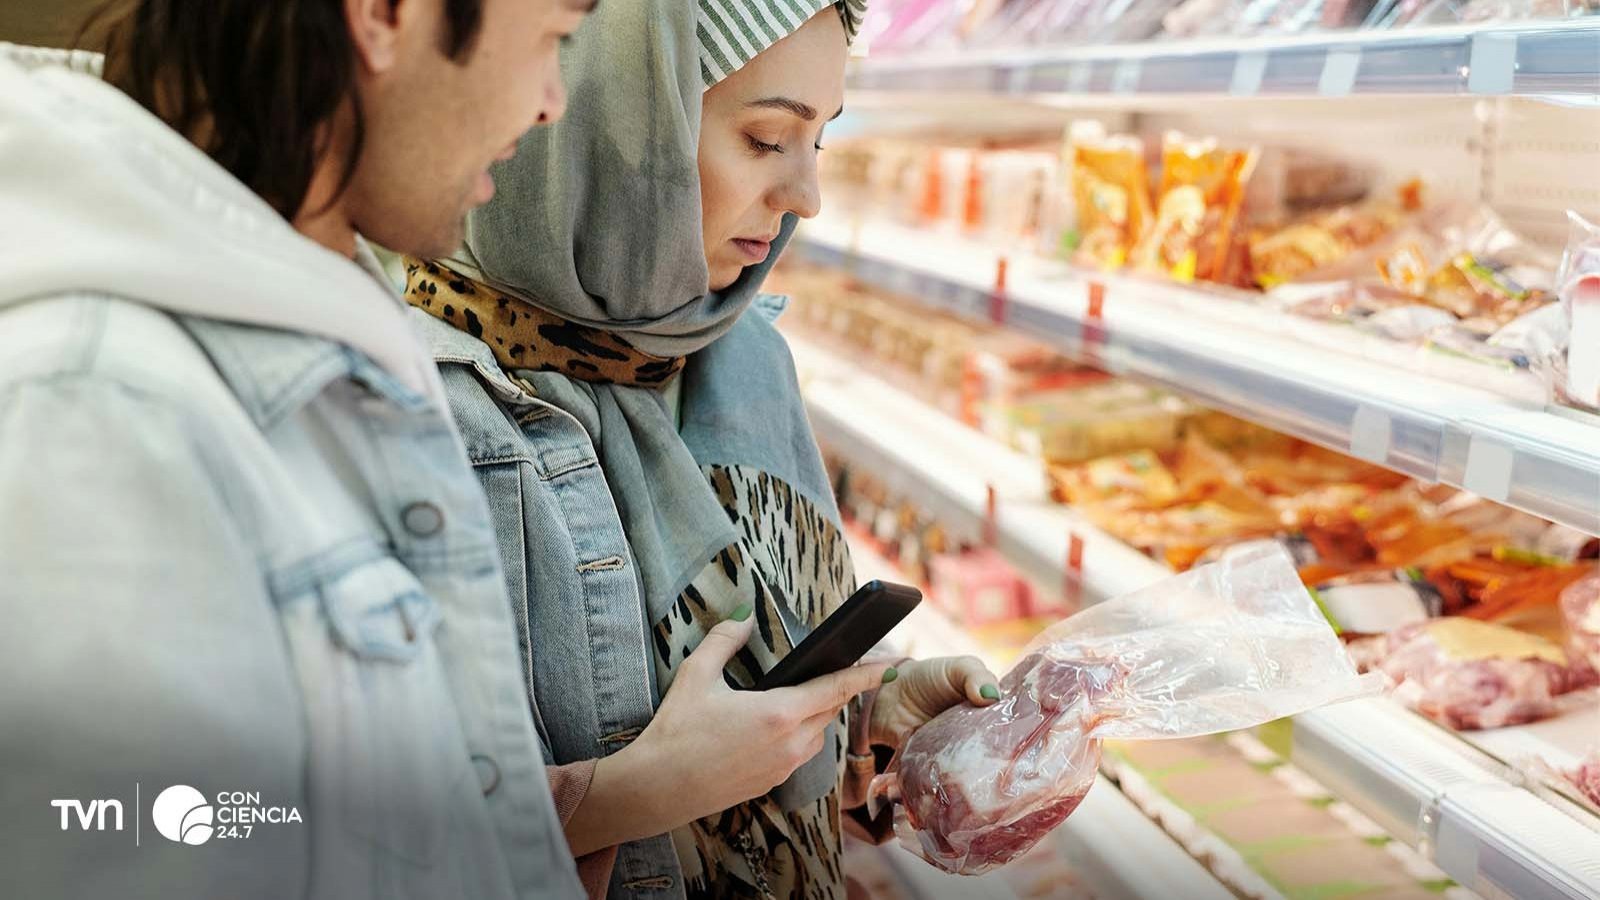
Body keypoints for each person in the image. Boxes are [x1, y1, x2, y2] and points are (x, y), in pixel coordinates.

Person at [404, 2, 1003, 897]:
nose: (806, 195)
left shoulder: (743, 356)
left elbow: (740, 737)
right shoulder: (416, 407)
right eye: (767, 139)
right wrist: (633, 795)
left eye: (819, 143)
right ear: (609, 122)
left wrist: (864, 714)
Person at [0, 1, 592, 897]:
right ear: (384, 15)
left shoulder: (312, 319)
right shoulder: (96, 413)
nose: (552, 102)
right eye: (554, 34)